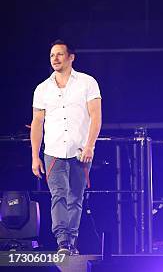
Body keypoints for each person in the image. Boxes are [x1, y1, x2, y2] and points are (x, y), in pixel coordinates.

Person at [30, 40, 102, 255]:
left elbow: (96, 116)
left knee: (75, 197)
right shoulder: (42, 88)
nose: (55, 58)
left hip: (80, 151)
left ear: (71, 57)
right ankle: (63, 241)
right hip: (53, 151)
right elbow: (37, 123)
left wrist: (90, 145)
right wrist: (35, 156)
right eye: (52, 55)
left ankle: (71, 241)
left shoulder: (87, 83)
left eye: (60, 54)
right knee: (58, 195)